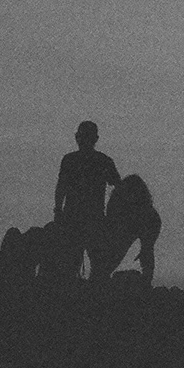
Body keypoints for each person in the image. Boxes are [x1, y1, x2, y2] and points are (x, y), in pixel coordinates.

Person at [53, 120, 122, 280]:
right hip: (89, 219)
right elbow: (118, 186)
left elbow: (61, 187)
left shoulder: (71, 160)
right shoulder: (103, 161)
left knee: (74, 266)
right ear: (96, 139)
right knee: (95, 266)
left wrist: (58, 210)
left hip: (79, 218)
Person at [92, 174, 162, 284]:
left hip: (145, 222)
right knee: (114, 254)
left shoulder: (145, 212)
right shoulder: (117, 201)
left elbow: (146, 247)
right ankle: (100, 276)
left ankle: (146, 281)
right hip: (132, 223)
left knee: (145, 250)